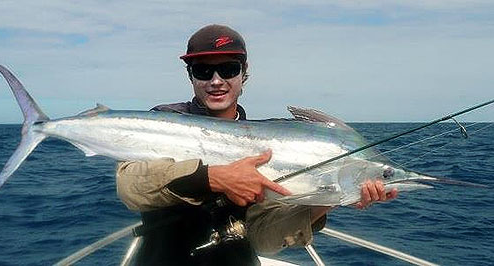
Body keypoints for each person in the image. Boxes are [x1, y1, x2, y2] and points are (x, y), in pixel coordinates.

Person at [116, 24, 397, 266]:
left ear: (243, 72)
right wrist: (214, 178)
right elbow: (130, 186)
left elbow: (263, 237)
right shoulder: (164, 121)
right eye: (203, 70)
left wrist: (335, 196)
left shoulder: (265, 143)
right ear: (190, 75)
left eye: (228, 69)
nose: (216, 81)